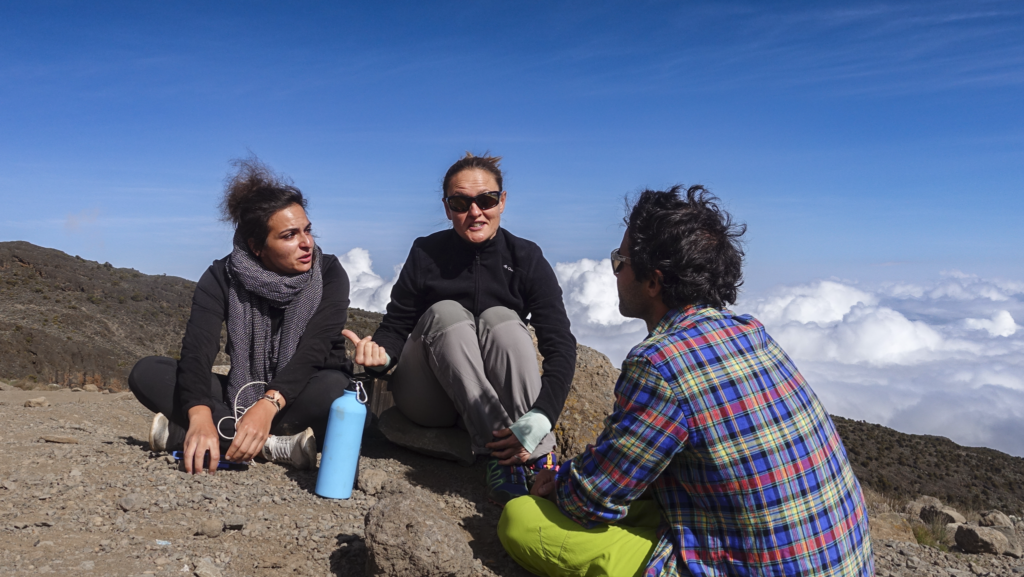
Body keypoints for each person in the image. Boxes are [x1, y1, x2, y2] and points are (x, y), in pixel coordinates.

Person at [498, 185, 873, 576]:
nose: (615, 270)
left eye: (619, 260)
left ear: (654, 282)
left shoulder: (660, 364)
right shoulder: (749, 330)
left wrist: (557, 484)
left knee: (522, 520)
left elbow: (594, 496)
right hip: (842, 562)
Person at [343, 152, 576, 504]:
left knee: (504, 321)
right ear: (447, 207)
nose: (475, 212)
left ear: (503, 201)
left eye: (486, 200)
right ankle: (507, 455)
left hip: (493, 390)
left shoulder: (526, 258)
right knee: (445, 312)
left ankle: (531, 446)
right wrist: (381, 355)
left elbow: (560, 344)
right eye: (460, 202)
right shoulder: (426, 253)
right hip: (431, 401)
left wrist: (542, 415)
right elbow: (396, 324)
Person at [129, 157, 352, 474]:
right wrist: (199, 413)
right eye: (289, 235)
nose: (306, 243)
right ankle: (273, 446)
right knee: (147, 372)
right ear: (257, 247)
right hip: (242, 390)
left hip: (302, 389)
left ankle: (204, 437)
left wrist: (267, 405)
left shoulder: (328, 272)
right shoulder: (221, 275)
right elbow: (198, 348)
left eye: (307, 230)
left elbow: (315, 349)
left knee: (333, 390)